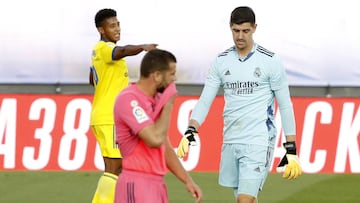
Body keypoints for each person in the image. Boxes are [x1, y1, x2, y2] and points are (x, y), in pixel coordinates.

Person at [176, 6, 302, 203]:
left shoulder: (270, 61)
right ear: (230, 28)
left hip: (259, 140)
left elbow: (285, 105)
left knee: (244, 200)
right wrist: (191, 129)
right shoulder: (221, 61)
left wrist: (291, 147)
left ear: (254, 28)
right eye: (236, 30)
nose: (240, 36)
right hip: (231, 139)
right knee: (247, 199)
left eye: (245, 30)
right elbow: (205, 99)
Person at [113, 49, 202, 203]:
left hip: (156, 184)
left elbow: (164, 146)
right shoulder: (129, 99)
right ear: (157, 76)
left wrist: (187, 180)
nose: (174, 79)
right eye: (172, 74)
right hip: (136, 183)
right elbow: (154, 140)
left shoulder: (155, 100)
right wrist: (168, 104)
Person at [89, 8, 157, 203]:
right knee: (115, 167)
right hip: (109, 117)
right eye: (112, 26)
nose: (117, 29)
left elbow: (91, 78)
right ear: (101, 30)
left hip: (105, 116)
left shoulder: (98, 52)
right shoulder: (105, 48)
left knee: (117, 168)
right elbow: (123, 51)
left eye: (118, 24)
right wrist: (143, 47)